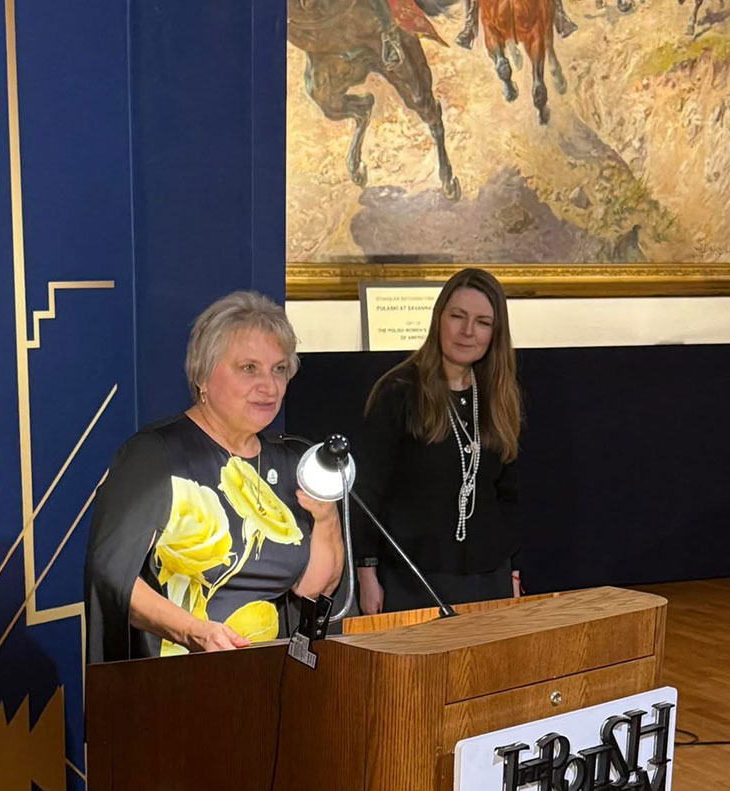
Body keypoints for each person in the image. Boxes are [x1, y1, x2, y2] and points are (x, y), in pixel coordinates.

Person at [84, 291, 343, 661]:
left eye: (279, 369)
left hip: (270, 675)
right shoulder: (154, 457)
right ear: (203, 375)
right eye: (249, 368)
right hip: (175, 673)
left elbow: (312, 591)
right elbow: (113, 578)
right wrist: (194, 631)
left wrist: (327, 517)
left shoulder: (292, 462)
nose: (269, 386)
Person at [354, 267, 522, 616]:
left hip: (489, 578)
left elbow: (510, 494)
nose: (467, 331)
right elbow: (367, 493)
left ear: (495, 333)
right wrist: (366, 572)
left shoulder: (500, 397)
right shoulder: (398, 392)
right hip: (413, 579)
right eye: (457, 316)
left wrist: (514, 569)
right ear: (438, 319)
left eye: (482, 322)